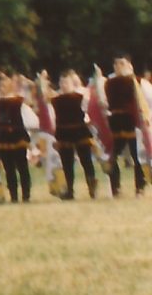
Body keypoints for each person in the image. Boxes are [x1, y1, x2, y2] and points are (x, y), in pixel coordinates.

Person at [45, 70, 100, 200]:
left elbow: (90, 109)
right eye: (62, 82)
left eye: (66, 82)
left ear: (72, 83)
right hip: (63, 134)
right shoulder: (55, 100)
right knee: (67, 164)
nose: (64, 85)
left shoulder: (80, 97)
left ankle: (92, 188)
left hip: (80, 132)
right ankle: (69, 191)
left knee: (86, 161)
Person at [102, 59, 145, 196]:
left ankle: (140, 186)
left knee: (136, 155)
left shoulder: (136, 81)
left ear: (129, 66)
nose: (118, 67)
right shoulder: (109, 83)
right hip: (115, 121)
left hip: (132, 121)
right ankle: (115, 187)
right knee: (113, 155)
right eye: (116, 64)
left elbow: (147, 100)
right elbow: (102, 102)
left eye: (122, 64)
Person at [0, 74, 36, 204]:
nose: (2, 87)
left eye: (4, 85)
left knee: (22, 167)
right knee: (9, 169)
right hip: (3, 139)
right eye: (0, 85)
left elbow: (30, 118)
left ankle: (26, 195)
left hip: (17, 137)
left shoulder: (18, 102)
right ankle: (13, 196)